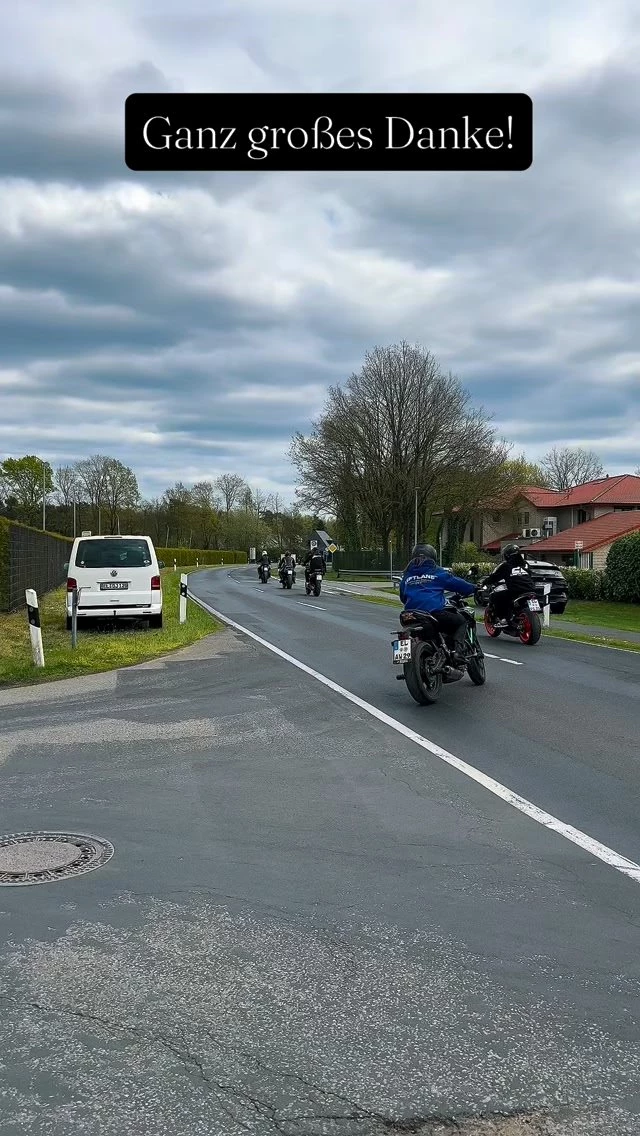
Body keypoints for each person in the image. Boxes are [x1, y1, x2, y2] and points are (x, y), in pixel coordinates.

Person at [399, 544, 477, 665]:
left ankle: (412, 658)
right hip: (433, 612)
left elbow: (403, 597)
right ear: (433, 556)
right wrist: (473, 588)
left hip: (408, 615)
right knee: (461, 621)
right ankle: (457, 652)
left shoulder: (407, 575)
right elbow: (457, 583)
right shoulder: (436, 572)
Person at [482, 543, 535, 624]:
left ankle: (504, 618)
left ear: (507, 555)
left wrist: (484, 582)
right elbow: (530, 575)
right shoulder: (526, 564)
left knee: (495, 596)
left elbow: (494, 577)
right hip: (531, 589)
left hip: (516, 590)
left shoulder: (506, 566)